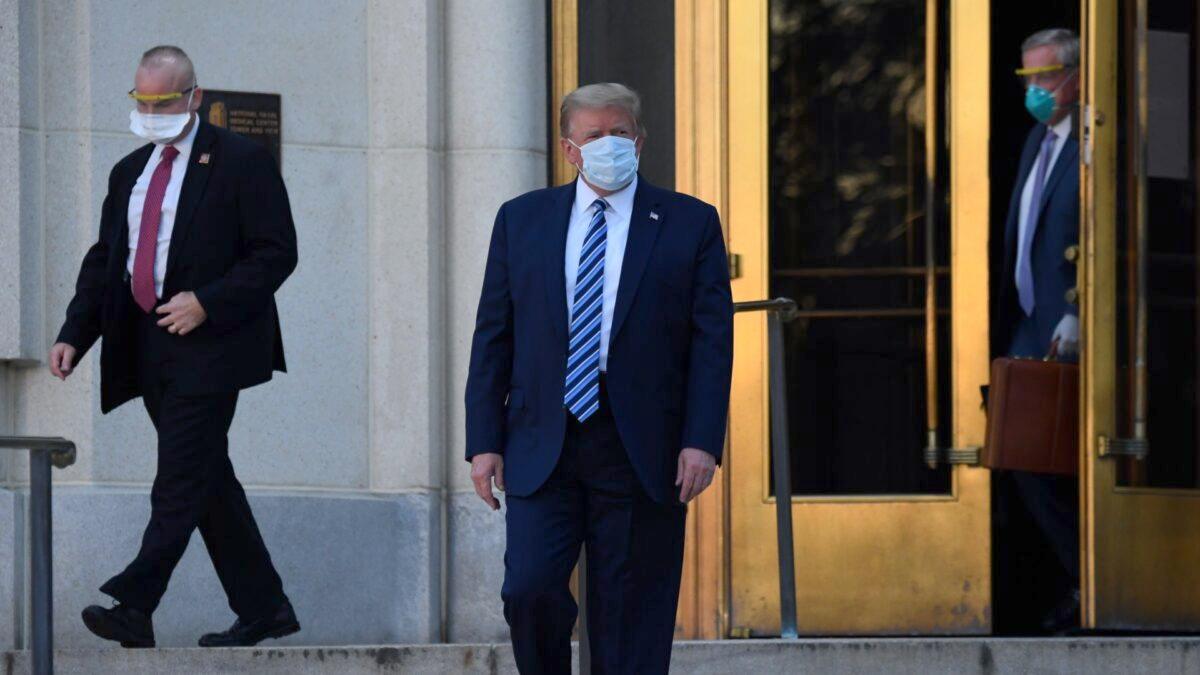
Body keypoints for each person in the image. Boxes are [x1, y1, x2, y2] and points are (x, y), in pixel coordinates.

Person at [464, 82, 734, 673]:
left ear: (640, 140)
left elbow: (711, 342)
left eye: (620, 133)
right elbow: (494, 336)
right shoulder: (522, 220)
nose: (609, 144)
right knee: (529, 589)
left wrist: (702, 440)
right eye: (594, 136)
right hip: (543, 439)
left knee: (630, 613)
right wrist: (483, 442)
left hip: (642, 445)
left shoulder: (690, 223)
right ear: (569, 149)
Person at [49, 45, 300, 648]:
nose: (152, 110)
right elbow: (106, 259)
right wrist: (74, 333)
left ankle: (134, 603)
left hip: (213, 345)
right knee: (207, 476)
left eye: (164, 100)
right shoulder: (130, 170)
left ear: (194, 96)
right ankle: (265, 607)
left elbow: (276, 251)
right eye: (143, 100)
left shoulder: (241, 161)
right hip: (146, 345)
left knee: (181, 476)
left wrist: (207, 300)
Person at [996, 28, 1082, 633]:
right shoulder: (1036, 139)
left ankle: (1092, 587)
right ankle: (1081, 581)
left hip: (1074, 327)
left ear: (1078, 75)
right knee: (1024, 457)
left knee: (1067, 463)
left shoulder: (1096, 139)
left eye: (1046, 77)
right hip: (1030, 327)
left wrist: (1082, 308)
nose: (1036, 90)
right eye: (1027, 79)